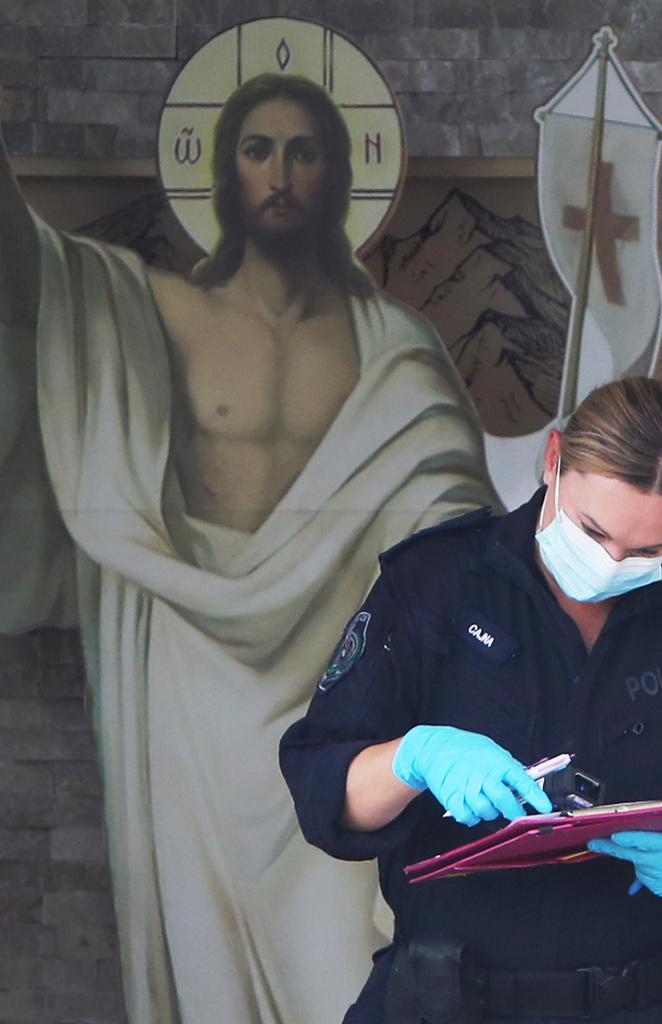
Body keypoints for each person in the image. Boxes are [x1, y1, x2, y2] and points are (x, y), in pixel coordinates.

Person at [0, 72, 497, 1024]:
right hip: (189, 679)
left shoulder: (391, 343)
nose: (281, 173)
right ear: (222, 173)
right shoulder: (148, 310)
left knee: (341, 952)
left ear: (340, 177)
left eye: (304, 151)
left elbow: (452, 521)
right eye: (258, 149)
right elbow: (24, 269)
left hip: (340, 680)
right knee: (203, 958)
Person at [280, 376, 662, 1023]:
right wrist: (415, 757)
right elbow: (323, 787)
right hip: (454, 998)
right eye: (593, 531)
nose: (612, 563)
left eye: (649, 549)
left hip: (660, 998)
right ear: (553, 458)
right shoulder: (436, 584)